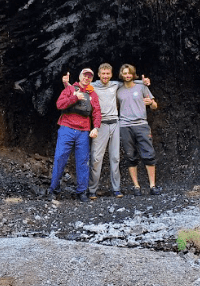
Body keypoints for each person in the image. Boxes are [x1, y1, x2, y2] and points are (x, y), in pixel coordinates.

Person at [63, 64, 150, 200]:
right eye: (103, 74)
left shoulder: (115, 84)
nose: (105, 76)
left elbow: (129, 80)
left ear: (111, 74)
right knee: (96, 158)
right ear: (98, 74)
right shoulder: (93, 86)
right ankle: (92, 190)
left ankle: (116, 189)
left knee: (115, 158)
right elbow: (77, 88)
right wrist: (66, 83)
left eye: (108, 74)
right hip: (101, 124)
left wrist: (144, 82)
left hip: (115, 123)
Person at [48, 68, 101, 202]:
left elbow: (96, 112)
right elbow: (59, 104)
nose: (87, 78)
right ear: (80, 76)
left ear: (91, 79)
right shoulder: (70, 89)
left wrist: (96, 127)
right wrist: (74, 98)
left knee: (83, 161)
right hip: (67, 129)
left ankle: (81, 192)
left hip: (83, 131)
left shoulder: (92, 94)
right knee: (60, 158)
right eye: (85, 75)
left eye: (90, 76)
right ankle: (53, 189)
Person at [117, 64, 161, 196]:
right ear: (121, 75)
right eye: (124, 73)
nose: (127, 75)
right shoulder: (118, 90)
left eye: (129, 73)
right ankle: (136, 186)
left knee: (148, 154)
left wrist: (151, 103)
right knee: (130, 156)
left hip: (141, 124)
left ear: (133, 74)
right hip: (124, 126)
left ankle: (152, 186)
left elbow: (154, 106)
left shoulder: (142, 87)